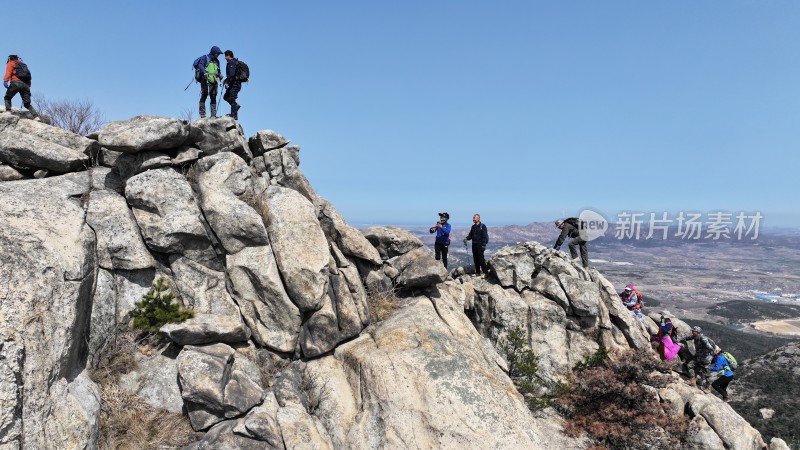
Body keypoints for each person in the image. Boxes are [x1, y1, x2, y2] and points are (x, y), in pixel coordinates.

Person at [193, 46, 223, 118]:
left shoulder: (217, 61)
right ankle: (202, 114)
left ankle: (213, 115)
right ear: (213, 52)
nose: (218, 55)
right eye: (217, 53)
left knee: (213, 96)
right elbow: (201, 65)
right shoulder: (205, 57)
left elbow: (218, 71)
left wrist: (220, 75)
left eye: (219, 53)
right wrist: (204, 72)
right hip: (205, 79)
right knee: (205, 94)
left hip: (214, 80)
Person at [222, 50, 242, 120]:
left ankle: (234, 115)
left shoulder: (232, 63)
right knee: (226, 97)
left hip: (235, 84)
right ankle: (235, 109)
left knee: (231, 98)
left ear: (228, 56)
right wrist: (226, 81)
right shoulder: (233, 62)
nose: (224, 58)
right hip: (233, 83)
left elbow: (231, 74)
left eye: (225, 56)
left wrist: (227, 82)